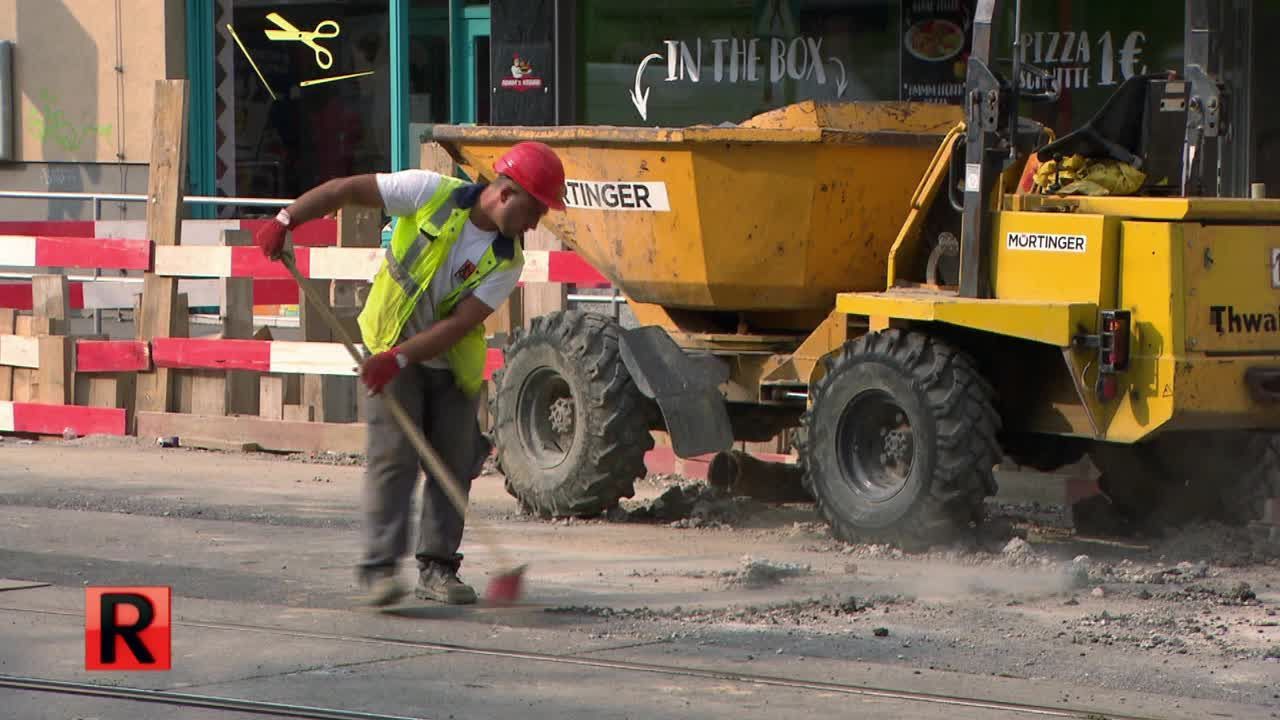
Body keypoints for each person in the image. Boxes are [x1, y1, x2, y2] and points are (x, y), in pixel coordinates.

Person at [254, 142, 567, 606]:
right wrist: (286, 220)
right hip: (387, 338)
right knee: (395, 453)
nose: (536, 223)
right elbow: (346, 190)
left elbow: (460, 323)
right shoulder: (429, 193)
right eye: (536, 209)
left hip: (444, 359)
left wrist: (401, 359)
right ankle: (380, 569)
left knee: (456, 458)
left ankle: (438, 570)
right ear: (506, 194)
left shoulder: (508, 259)